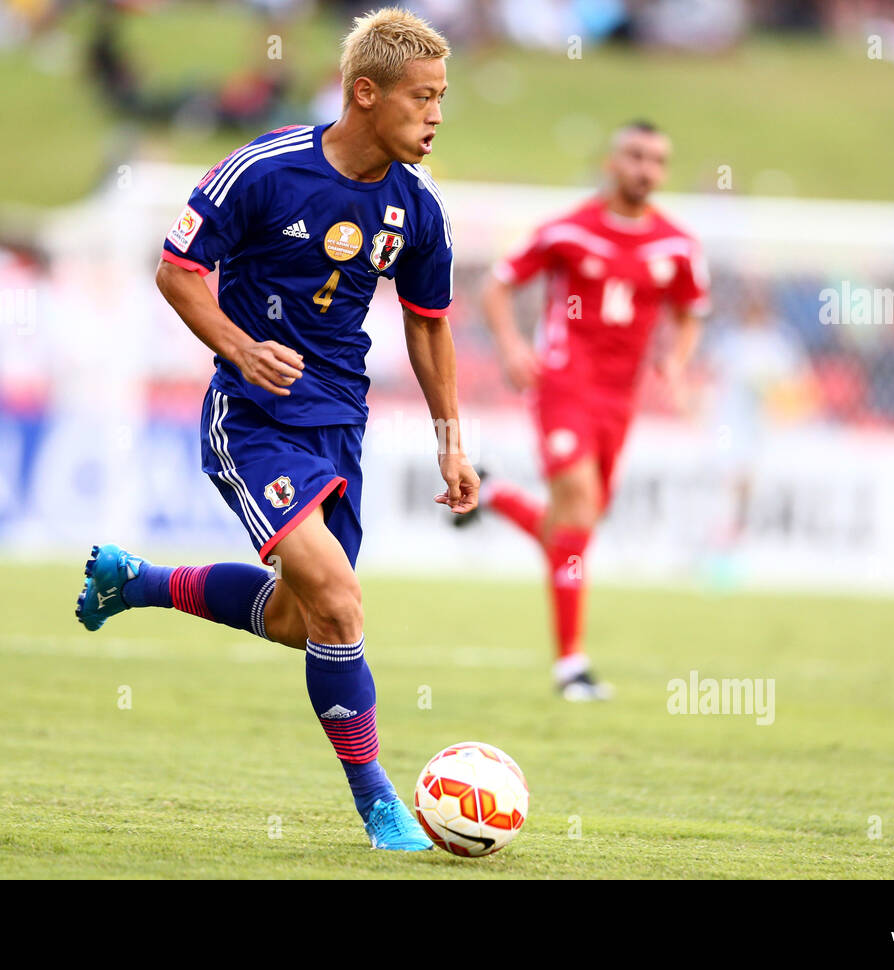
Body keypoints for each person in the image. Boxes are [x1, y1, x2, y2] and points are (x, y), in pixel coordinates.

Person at [75, 8, 479, 852]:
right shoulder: (265, 169)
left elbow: (430, 322)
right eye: (422, 97)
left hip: (341, 424)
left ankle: (136, 583)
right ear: (364, 93)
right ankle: (380, 806)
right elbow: (178, 269)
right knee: (338, 599)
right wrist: (239, 347)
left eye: (442, 97)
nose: (437, 114)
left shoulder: (418, 206)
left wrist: (451, 439)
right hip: (252, 418)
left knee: (304, 620)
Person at [463, 121, 707, 700]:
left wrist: (676, 359)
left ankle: (494, 494)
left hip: (621, 400)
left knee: (573, 528)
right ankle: (571, 666)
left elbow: (691, 311)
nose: (646, 169)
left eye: (657, 160)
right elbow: (495, 286)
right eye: (636, 156)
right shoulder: (567, 232)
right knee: (578, 508)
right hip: (564, 385)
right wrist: (512, 345)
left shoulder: (676, 245)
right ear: (612, 162)